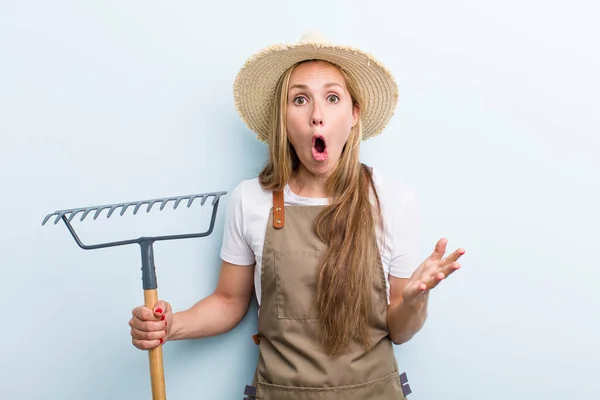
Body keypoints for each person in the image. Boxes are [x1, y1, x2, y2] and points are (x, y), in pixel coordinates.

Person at [128, 32, 465, 399]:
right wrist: (172, 326)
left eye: (332, 98)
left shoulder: (392, 200)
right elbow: (228, 302)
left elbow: (399, 329)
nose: (317, 115)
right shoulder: (249, 200)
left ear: (354, 114)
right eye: (300, 99)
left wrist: (416, 300)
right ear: (283, 119)